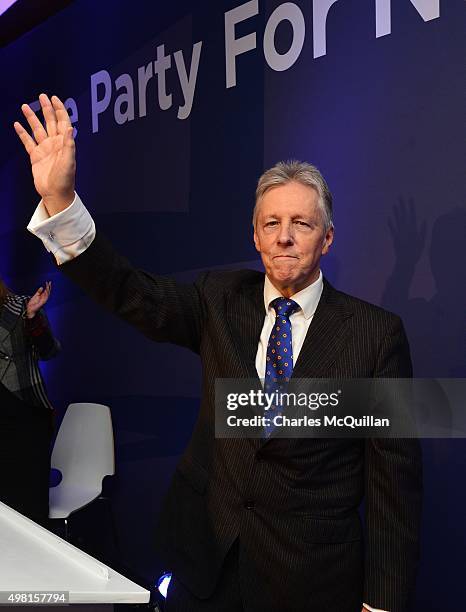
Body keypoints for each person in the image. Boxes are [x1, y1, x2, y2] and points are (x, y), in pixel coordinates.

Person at [14, 94, 422, 612]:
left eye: (302, 224)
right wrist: (62, 202)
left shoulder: (376, 335)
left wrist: (382, 603)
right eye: (271, 224)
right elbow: (130, 291)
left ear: (328, 238)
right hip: (204, 567)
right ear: (255, 235)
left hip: (308, 581)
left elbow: (395, 488)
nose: (285, 238)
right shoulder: (218, 298)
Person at [0, 275, 59, 525]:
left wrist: (33, 317)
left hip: (26, 412)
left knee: (27, 497)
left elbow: (50, 350)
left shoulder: (23, 305)